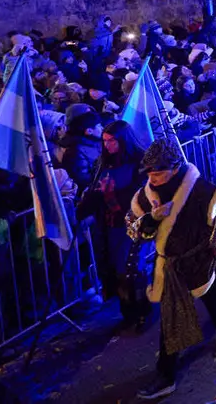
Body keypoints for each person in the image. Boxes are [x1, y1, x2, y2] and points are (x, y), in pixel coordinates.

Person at [129, 138, 216, 400]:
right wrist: (152, 219)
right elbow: (134, 232)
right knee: (171, 319)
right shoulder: (146, 197)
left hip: (202, 260)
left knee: (215, 303)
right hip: (171, 267)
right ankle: (166, 375)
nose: (153, 179)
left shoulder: (202, 191)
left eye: (158, 173)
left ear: (175, 167)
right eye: (150, 174)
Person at [79, 120, 150, 332]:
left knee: (130, 269)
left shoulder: (139, 162)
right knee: (116, 270)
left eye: (112, 141)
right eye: (105, 141)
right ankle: (127, 313)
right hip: (108, 225)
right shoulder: (103, 163)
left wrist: (111, 196)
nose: (108, 145)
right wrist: (86, 206)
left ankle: (142, 312)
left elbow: (139, 194)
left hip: (131, 223)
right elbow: (95, 189)